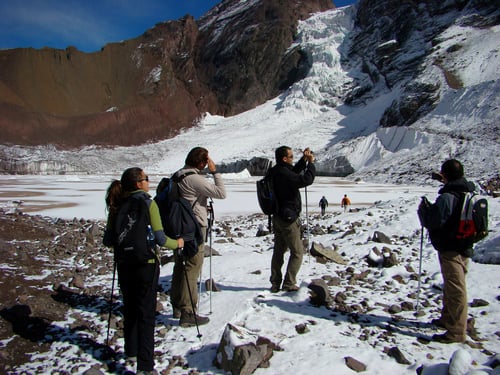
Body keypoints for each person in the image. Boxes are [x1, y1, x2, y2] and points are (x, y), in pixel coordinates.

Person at [103, 167, 183, 375]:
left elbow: (107, 240)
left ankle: (131, 351)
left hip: (124, 263)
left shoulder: (117, 204)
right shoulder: (149, 203)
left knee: (129, 307)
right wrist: (179, 243)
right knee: (146, 313)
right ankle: (146, 367)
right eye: (146, 179)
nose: (149, 182)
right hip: (146, 263)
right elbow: (161, 239)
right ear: (139, 183)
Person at [417, 159, 476, 344]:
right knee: (453, 286)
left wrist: (425, 211)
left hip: (450, 248)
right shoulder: (469, 193)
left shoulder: (448, 197)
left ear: (445, 175)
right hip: (464, 245)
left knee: (455, 288)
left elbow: (434, 221)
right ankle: (447, 319)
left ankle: (456, 332)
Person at [170, 147, 226, 327]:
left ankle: (177, 305)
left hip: (178, 226)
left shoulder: (177, 175)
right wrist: (215, 172)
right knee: (193, 266)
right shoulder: (194, 178)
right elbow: (221, 193)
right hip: (194, 227)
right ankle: (188, 312)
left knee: (180, 265)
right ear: (201, 163)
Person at [269, 146, 315, 293]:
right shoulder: (283, 173)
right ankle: (289, 283)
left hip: (277, 216)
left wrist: (303, 160)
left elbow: (292, 173)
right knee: (297, 252)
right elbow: (304, 180)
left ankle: (275, 282)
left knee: (279, 250)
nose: (292, 159)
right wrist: (311, 165)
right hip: (288, 218)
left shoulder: (275, 171)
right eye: (291, 157)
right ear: (284, 158)